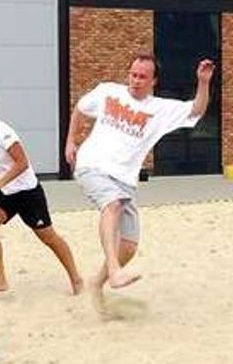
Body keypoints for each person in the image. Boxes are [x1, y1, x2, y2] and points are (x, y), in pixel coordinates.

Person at [65, 53, 214, 312]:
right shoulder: (108, 92)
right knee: (111, 205)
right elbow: (80, 108)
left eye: (142, 77)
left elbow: (196, 110)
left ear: (153, 81)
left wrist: (202, 82)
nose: (136, 80)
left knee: (130, 246)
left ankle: (97, 284)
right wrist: (70, 141)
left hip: (125, 179)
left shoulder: (160, 109)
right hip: (93, 166)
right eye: (133, 74)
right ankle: (113, 271)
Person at [0, 86, 83, 296]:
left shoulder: (5, 134)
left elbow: (22, 163)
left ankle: (76, 278)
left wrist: (0, 182)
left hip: (28, 192)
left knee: (49, 238)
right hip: (6, 192)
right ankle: (0, 281)